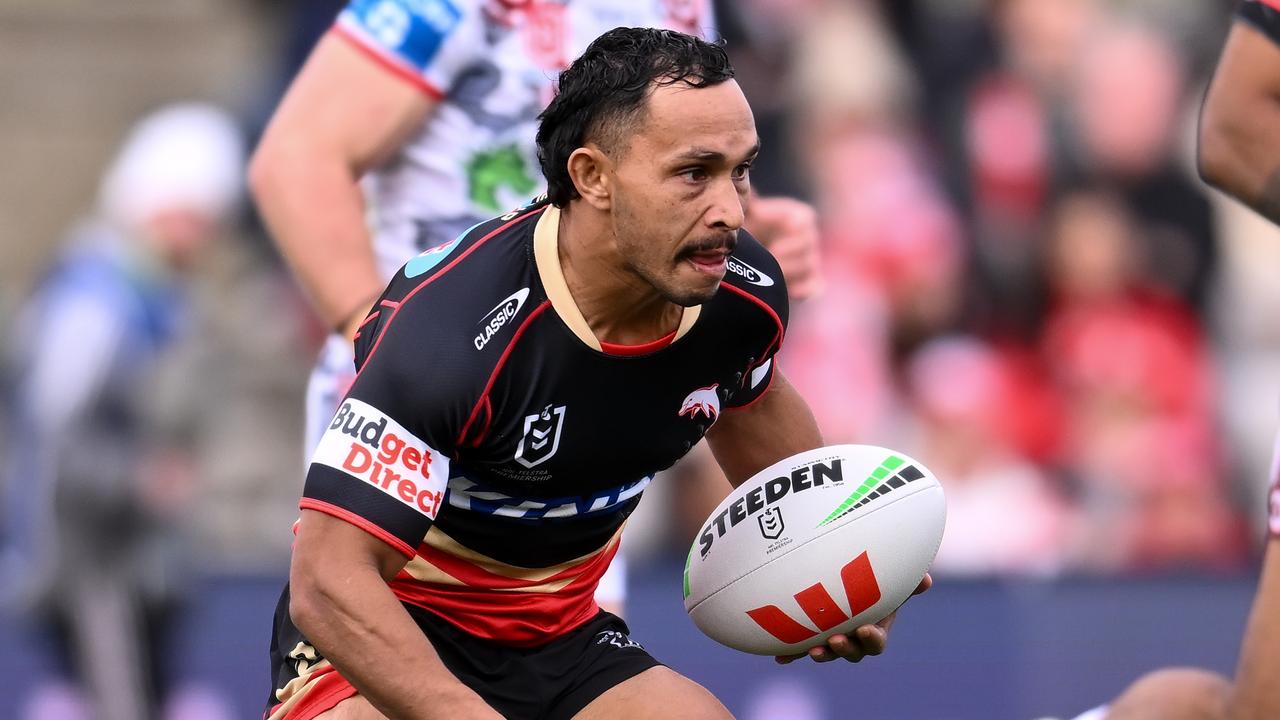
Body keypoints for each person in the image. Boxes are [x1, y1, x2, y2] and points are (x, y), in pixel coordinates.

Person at [264, 27, 928, 720]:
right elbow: (327, 583)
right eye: (694, 173)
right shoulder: (448, 333)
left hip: (562, 641)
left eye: (740, 171)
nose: (732, 212)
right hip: (387, 638)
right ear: (592, 177)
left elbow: (754, 405)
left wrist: (836, 559)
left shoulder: (740, 297)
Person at [248, 0, 823, 617]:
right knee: (373, 641)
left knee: (574, 653)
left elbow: (681, 153)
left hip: (592, 386)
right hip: (437, 397)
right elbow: (297, 159)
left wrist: (739, 222)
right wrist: (389, 348)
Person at [1, 104, 243, 720]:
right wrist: (140, 479)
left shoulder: (157, 299)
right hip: (92, 575)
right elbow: (55, 440)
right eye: (191, 217)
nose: (201, 237)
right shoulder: (93, 304)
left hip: (140, 567)